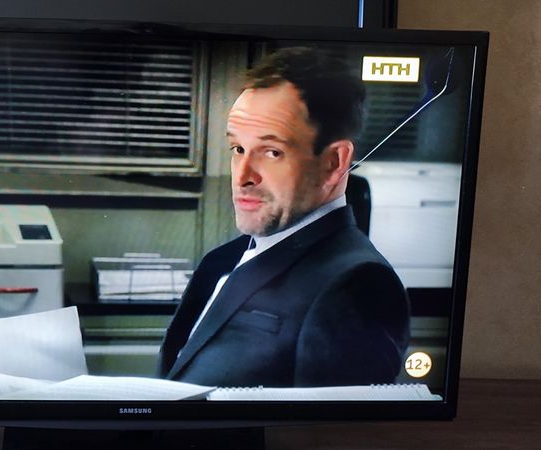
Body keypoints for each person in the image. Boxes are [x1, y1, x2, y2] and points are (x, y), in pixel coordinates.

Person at [158, 47, 410, 388]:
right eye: (238, 149)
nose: (242, 177)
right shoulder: (223, 259)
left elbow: (328, 424)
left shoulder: (358, 285)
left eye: (272, 152)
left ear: (334, 163)